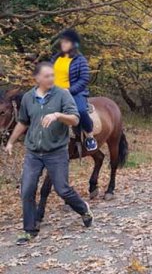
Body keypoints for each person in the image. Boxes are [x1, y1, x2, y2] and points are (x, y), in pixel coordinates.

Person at [4, 62, 94, 246]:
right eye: (47, 76)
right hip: (34, 153)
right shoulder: (29, 97)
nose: (51, 79)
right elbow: (23, 122)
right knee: (27, 190)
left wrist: (58, 116)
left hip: (56, 152)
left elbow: (75, 118)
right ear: (37, 79)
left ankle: (83, 209)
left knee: (62, 189)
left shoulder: (62, 94)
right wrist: (11, 142)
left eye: (52, 75)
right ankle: (29, 230)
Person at [52, 29, 97, 151]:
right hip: (54, 92)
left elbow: (84, 79)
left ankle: (89, 136)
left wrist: (69, 90)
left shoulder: (80, 59)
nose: (63, 44)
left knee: (81, 111)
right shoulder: (56, 58)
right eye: (62, 41)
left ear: (74, 44)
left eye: (67, 42)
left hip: (73, 92)